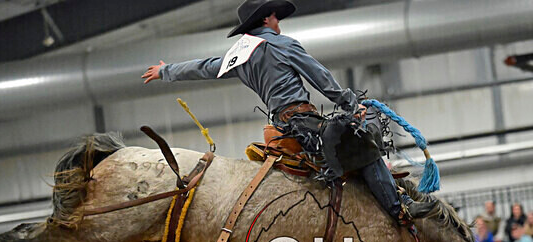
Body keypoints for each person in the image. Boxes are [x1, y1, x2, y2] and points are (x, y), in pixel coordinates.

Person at [141, 0, 434, 226]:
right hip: (303, 123)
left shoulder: (238, 56)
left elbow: (203, 67)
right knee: (365, 147)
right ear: (266, 19)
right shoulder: (282, 44)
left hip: (279, 127)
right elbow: (319, 76)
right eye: (275, 15)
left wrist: (166, 71)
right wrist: (349, 102)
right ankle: (399, 211)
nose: (278, 20)